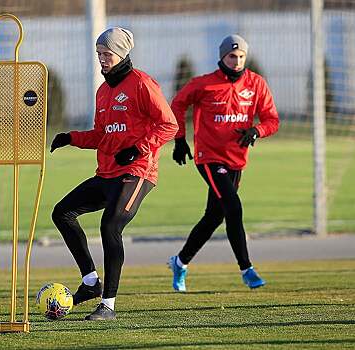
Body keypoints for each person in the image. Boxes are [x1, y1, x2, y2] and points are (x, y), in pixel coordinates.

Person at [50, 27, 178, 320]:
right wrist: (71, 138)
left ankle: (108, 305)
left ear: (121, 54)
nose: (102, 60)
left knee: (110, 227)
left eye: (106, 54)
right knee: (62, 213)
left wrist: (138, 149)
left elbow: (168, 124)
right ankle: (90, 283)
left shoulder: (142, 84)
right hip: (107, 173)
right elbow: (101, 134)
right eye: (99, 54)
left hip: (137, 171)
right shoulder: (103, 91)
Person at [168, 34, 279, 292]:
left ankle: (180, 262)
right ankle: (247, 269)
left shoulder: (256, 84)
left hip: (236, 160)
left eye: (241, 56)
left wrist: (257, 131)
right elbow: (177, 104)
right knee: (233, 207)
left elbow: (272, 120)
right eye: (232, 56)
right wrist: (180, 139)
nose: (237, 61)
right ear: (222, 57)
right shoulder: (204, 84)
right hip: (209, 157)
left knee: (214, 217)